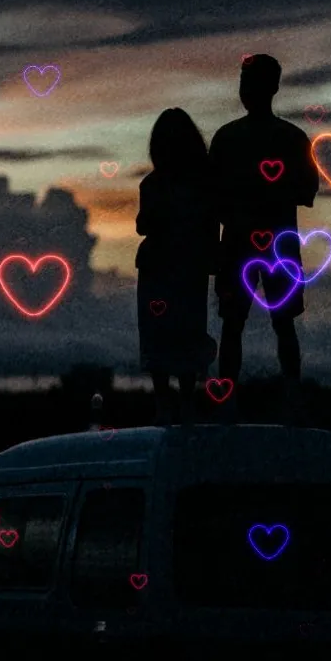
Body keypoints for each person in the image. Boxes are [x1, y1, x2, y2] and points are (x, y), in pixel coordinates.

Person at [208, 54, 319, 423]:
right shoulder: (290, 138)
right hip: (273, 243)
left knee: (240, 324)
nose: (245, 91)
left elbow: (214, 198)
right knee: (271, 323)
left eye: (250, 83)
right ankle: (287, 397)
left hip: (244, 244)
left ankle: (238, 400)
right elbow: (306, 190)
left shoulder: (229, 138)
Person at [136, 108, 219, 425]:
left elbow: (143, 225)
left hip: (164, 267)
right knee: (185, 332)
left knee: (162, 334)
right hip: (186, 268)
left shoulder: (154, 184)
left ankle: (166, 405)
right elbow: (211, 227)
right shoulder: (199, 186)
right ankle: (183, 404)